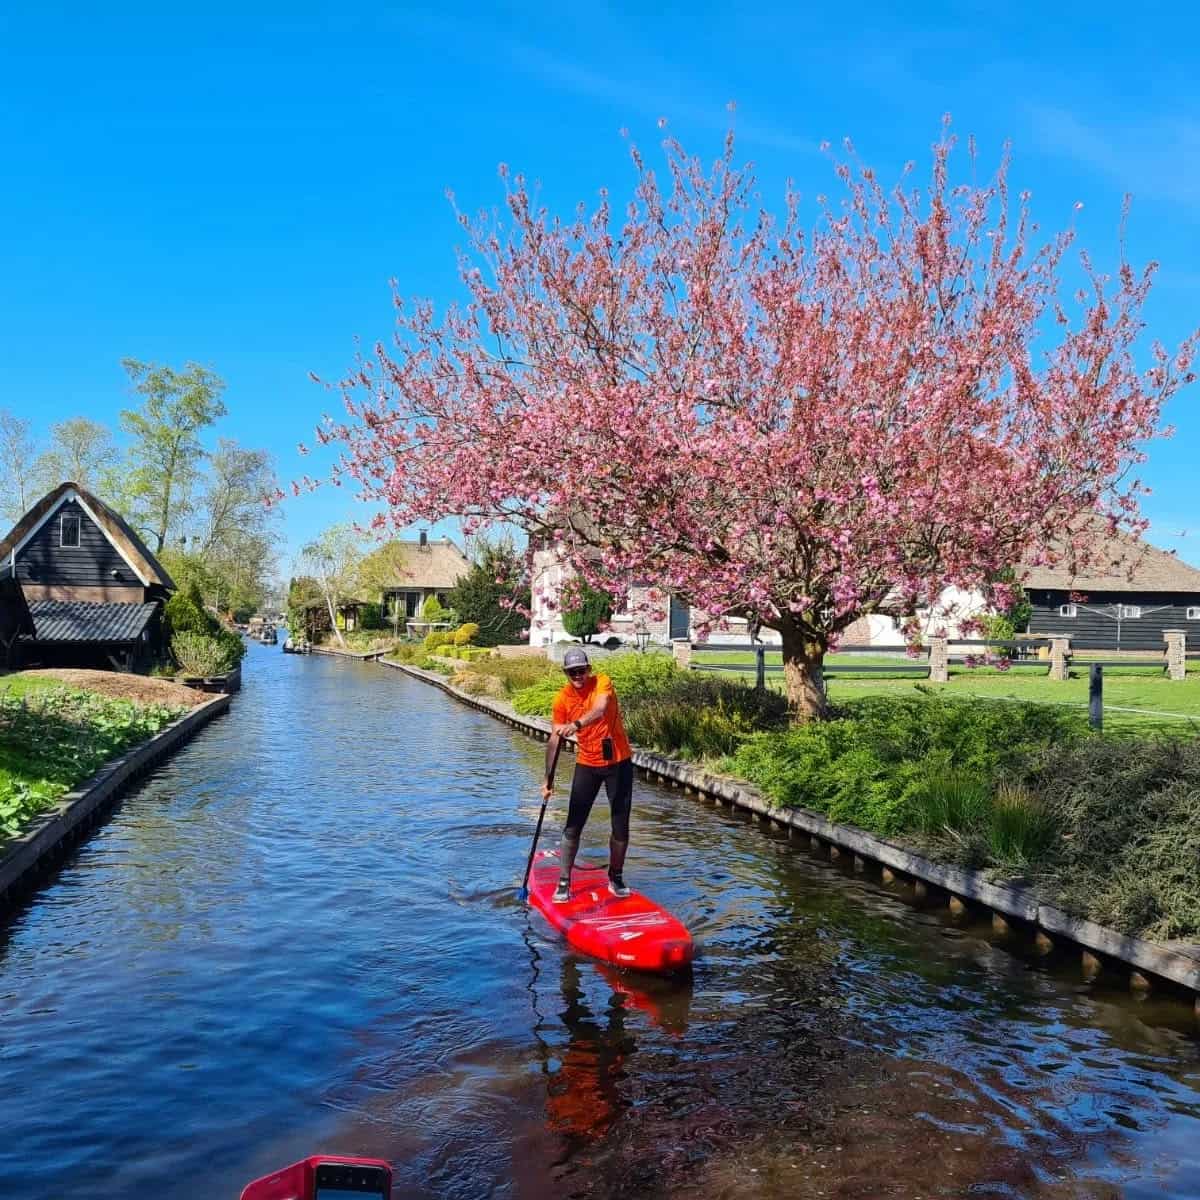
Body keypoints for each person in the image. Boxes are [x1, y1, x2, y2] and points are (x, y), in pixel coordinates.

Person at [541, 646, 634, 903]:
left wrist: (577, 724)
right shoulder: (562, 699)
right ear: (566, 674)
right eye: (573, 672)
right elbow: (554, 740)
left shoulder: (602, 682)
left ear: (588, 669)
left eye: (582, 670)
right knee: (574, 824)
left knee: (620, 825)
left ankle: (615, 877)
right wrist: (547, 780)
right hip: (587, 765)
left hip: (618, 763)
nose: (578, 676)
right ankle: (563, 882)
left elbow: (601, 709)